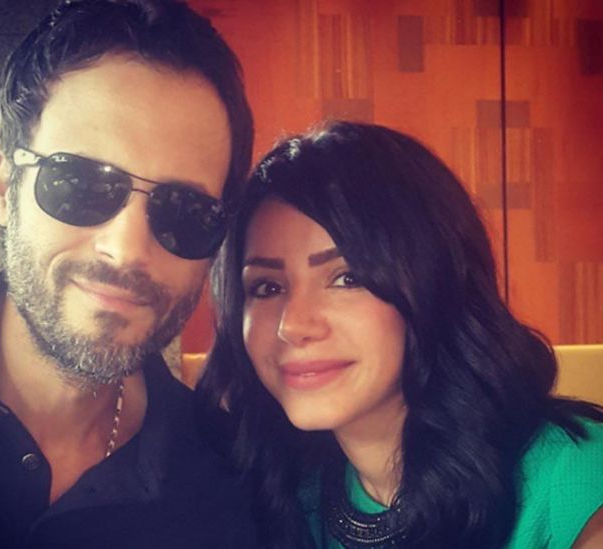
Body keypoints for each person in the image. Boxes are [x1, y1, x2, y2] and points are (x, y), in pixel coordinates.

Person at [198, 121, 603, 548]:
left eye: (347, 278)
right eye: (267, 287)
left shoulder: (570, 479)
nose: (292, 325)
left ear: (435, 283)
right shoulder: (290, 494)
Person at [0, 0, 258, 547]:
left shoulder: (227, 488)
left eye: (185, 212)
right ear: (2, 188)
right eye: (82, 183)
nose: (127, 250)